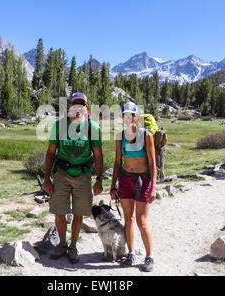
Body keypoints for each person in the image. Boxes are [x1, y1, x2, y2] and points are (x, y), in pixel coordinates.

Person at [43, 93, 104, 264]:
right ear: (69, 105)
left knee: (79, 212)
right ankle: (62, 244)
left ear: (86, 107)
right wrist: (47, 179)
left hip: (83, 175)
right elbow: (50, 153)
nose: (78, 107)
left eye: (81, 104)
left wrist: (99, 180)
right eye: (75, 104)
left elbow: (98, 156)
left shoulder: (93, 128)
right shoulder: (59, 126)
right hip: (62, 173)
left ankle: (73, 246)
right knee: (59, 212)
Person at [110, 102, 157, 272]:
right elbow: (117, 162)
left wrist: (153, 187)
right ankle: (131, 253)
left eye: (132, 115)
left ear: (137, 117)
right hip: (125, 180)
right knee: (128, 220)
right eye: (126, 115)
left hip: (143, 181)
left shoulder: (146, 135)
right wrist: (112, 185)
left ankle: (149, 256)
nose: (129, 118)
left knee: (141, 221)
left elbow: (152, 163)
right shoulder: (120, 136)